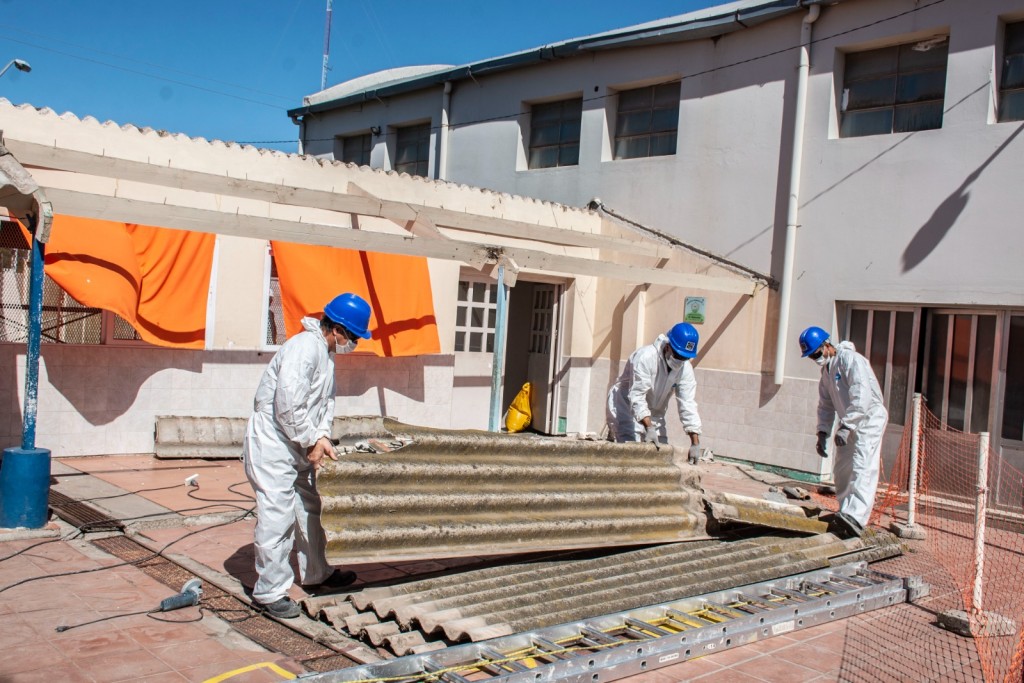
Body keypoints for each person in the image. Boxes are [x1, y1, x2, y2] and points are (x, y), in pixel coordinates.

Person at [243, 292, 373, 619]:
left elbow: (324, 403)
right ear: (338, 329)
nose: (353, 343)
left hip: (296, 443)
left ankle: (318, 573)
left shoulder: (325, 354)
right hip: (273, 442)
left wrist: (322, 436)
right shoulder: (304, 349)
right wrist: (310, 439)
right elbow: (287, 405)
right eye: (353, 336)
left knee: (311, 506)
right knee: (278, 516)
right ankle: (270, 592)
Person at [798, 325, 888, 539]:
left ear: (827, 345)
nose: (816, 358)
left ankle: (857, 517)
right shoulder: (827, 372)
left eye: (817, 354)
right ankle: (846, 511)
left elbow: (862, 394)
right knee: (842, 470)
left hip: (868, 419)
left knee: (862, 465)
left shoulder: (851, 360)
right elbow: (826, 405)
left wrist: (847, 424)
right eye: (812, 357)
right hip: (850, 422)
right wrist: (822, 432)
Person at [607, 322, 703, 465]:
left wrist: (695, 442)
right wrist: (649, 428)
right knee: (630, 457)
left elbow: (687, 403)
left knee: (660, 459)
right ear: (668, 346)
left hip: (655, 414)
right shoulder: (646, 357)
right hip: (626, 407)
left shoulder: (685, 369)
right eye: (678, 355)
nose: (680, 360)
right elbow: (637, 396)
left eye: (685, 358)